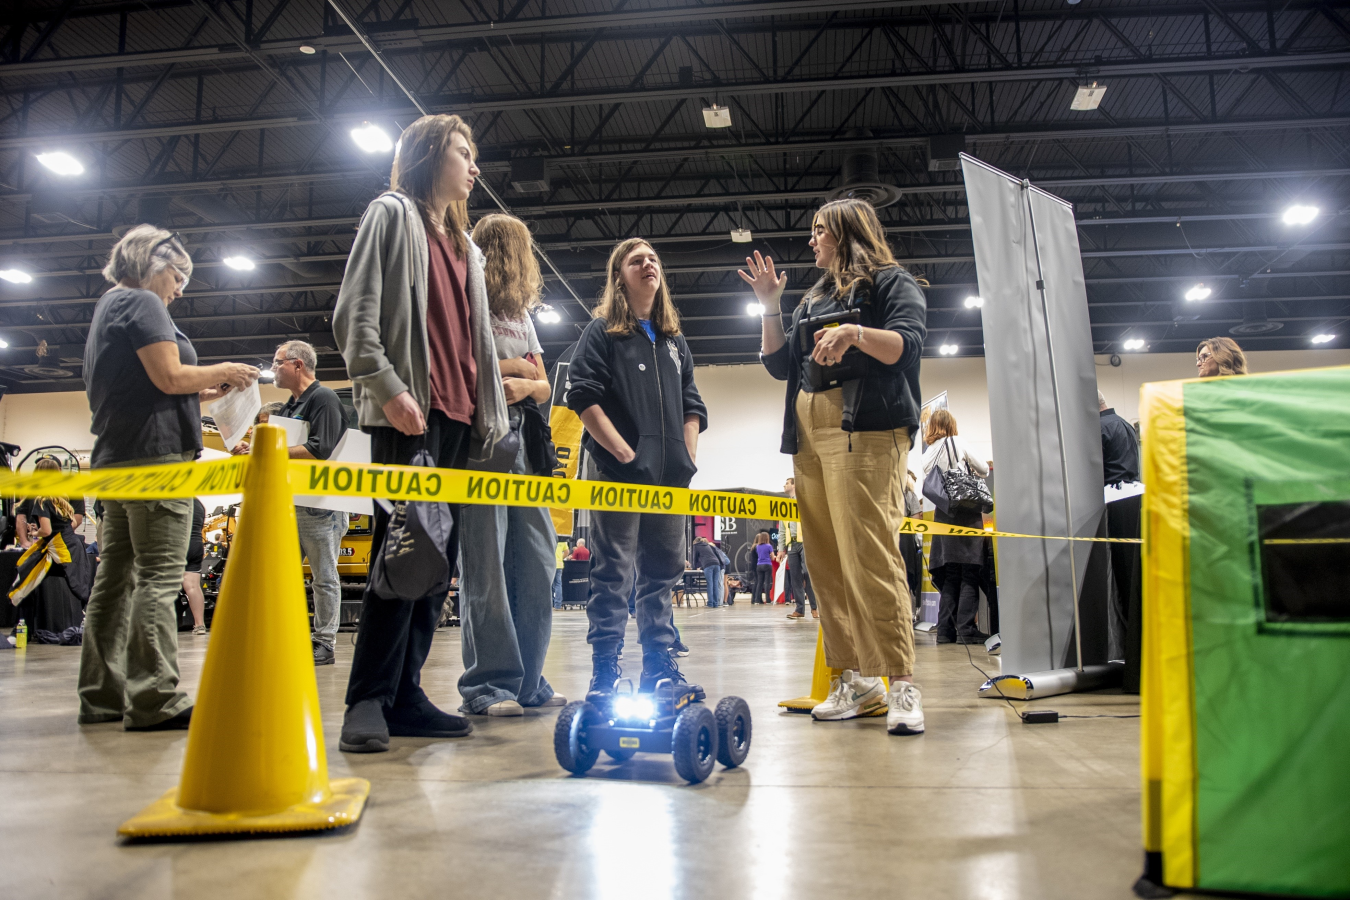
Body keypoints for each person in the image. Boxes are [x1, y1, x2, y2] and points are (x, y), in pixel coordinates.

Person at [333, 114, 508, 753]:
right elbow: (353, 318)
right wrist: (391, 390)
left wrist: (491, 417)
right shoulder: (392, 214)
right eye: (464, 151)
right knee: (399, 558)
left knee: (437, 569)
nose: (474, 165)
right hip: (411, 414)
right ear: (430, 154)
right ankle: (367, 701)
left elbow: (474, 345)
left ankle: (405, 692)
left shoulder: (468, 248)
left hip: (461, 421)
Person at [748, 196, 927, 736]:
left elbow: (908, 347)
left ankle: (901, 683)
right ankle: (854, 678)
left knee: (870, 555)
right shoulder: (813, 297)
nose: (811, 240)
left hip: (866, 431)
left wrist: (854, 334)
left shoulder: (891, 283)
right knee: (826, 562)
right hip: (808, 436)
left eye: (819, 231)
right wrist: (769, 305)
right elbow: (782, 365)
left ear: (847, 233)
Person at [77, 225, 258, 731]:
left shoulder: (108, 306)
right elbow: (170, 376)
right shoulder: (143, 303)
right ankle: (154, 696)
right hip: (157, 461)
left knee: (113, 578)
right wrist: (224, 370)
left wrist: (198, 394)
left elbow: (148, 386)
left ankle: (101, 695)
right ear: (152, 265)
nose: (181, 289)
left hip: (117, 459)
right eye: (178, 276)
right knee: (159, 577)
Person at [567, 237, 708, 700]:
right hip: (619, 478)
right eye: (636, 260)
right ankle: (605, 669)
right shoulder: (603, 331)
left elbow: (693, 404)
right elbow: (582, 395)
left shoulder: (674, 341)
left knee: (663, 572)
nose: (648, 264)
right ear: (619, 276)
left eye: (653, 259)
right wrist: (624, 455)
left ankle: (658, 666)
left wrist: (686, 456)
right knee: (613, 572)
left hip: (670, 481)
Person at [457, 213, 563, 717]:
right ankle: (487, 684)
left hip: (525, 442)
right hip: (481, 442)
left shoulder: (524, 315)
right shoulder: (463, 299)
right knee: (487, 563)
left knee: (538, 560)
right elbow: (455, 369)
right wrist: (512, 371)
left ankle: (528, 678)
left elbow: (544, 385)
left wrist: (524, 382)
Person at [238, 340, 351, 666]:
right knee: (284, 576)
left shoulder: (323, 399)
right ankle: (288, 635)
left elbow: (321, 447)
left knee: (324, 577)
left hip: (320, 507)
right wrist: (252, 451)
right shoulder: (289, 406)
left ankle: (324, 643)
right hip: (292, 503)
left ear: (298, 364)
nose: (273, 368)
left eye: (278, 362)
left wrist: (269, 452)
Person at [921, 409, 991, 645]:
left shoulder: (929, 451)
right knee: (969, 572)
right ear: (951, 425)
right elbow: (983, 468)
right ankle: (966, 630)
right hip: (965, 511)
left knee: (951, 574)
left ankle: (945, 631)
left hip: (944, 513)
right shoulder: (957, 442)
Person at [9, 458, 91, 640]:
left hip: (59, 548)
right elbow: (68, 523)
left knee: (24, 573)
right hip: (73, 548)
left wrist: (33, 532)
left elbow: (46, 530)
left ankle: (22, 627)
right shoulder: (61, 499)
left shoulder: (42, 500)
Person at [1099, 390, 1143, 693]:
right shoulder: (1126, 425)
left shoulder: (1101, 429)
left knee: (1123, 581)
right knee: (1132, 579)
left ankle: (1131, 654)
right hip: (1133, 500)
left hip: (1114, 504)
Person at [780, 477, 818, 620]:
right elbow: (782, 530)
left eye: (787, 483)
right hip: (791, 545)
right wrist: (781, 549)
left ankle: (814, 608)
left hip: (805, 543)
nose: (784, 485)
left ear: (794, 485)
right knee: (795, 578)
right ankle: (799, 609)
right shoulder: (783, 504)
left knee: (808, 575)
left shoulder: (804, 502)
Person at [182, 498, 207, 635]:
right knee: (193, 587)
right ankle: (199, 625)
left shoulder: (176, 498)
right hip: (196, 545)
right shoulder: (199, 504)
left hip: (178, 543)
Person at [690, 536, 726, 608]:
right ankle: (715, 603)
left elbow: (695, 558)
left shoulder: (696, 546)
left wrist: (693, 568)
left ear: (695, 542)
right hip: (717, 564)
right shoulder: (708, 545)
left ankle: (710, 603)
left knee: (710, 584)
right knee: (715, 584)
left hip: (708, 565)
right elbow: (715, 554)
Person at [750, 531, 774, 604]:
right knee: (767, 583)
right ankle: (768, 600)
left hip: (759, 565)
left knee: (759, 583)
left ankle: (757, 600)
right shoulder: (769, 546)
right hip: (767, 564)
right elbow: (772, 557)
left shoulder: (757, 546)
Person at [552, 539, 567, 610]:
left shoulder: (550, 535)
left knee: (550, 585)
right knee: (558, 584)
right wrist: (561, 557)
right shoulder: (562, 540)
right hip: (559, 565)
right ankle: (557, 605)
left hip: (550, 564)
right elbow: (567, 551)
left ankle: (550, 604)